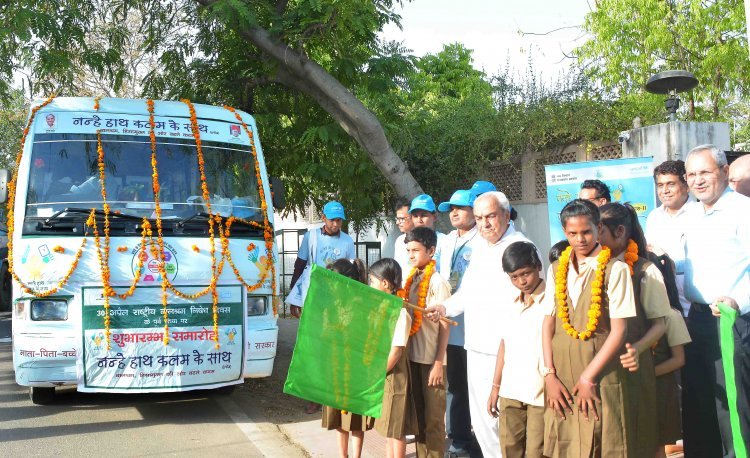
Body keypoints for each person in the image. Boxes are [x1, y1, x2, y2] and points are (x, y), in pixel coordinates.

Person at [426, 191, 535, 458]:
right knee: (483, 423)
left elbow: (532, 302)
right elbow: (467, 292)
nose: (484, 224)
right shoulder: (481, 248)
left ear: (506, 215)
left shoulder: (520, 247)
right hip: (475, 346)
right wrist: (444, 307)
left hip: (504, 353)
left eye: (490, 216)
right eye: (479, 218)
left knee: (503, 422)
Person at [541, 199, 636, 458]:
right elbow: (548, 322)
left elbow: (619, 331)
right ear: (564, 232)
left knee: (603, 441)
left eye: (586, 232)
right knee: (565, 444)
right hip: (561, 374)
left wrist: (588, 377)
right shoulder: (556, 268)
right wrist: (549, 374)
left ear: (598, 228)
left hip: (599, 373)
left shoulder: (615, 269)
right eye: (572, 233)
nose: (580, 239)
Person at [681, 144, 750, 457]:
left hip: (729, 322)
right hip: (696, 321)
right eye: (691, 174)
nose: (697, 180)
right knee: (699, 405)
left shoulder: (743, 211)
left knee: (732, 410)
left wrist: (738, 300)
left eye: (704, 172)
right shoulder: (691, 214)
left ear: (724, 172)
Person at [599, 202, 670, 457]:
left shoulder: (645, 270)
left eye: (599, 231)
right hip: (604, 365)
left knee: (642, 436)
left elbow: (661, 324)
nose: (593, 238)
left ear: (619, 232)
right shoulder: (595, 267)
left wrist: (636, 350)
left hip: (634, 366)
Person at [487, 241, 546, 458]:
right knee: (509, 448)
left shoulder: (554, 301)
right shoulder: (510, 303)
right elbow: (504, 345)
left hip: (541, 392)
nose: (521, 281)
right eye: (514, 277)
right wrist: (495, 387)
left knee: (537, 452)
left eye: (526, 273)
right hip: (510, 390)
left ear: (539, 266)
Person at [402, 226, 452, 458]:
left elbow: (444, 324)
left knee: (433, 421)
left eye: (416, 250)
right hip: (412, 358)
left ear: (431, 251)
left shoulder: (437, 282)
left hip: (431, 361)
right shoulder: (410, 279)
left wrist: (438, 362)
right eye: (408, 250)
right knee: (418, 419)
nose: (411, 255)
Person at [437, 189, 478, 457]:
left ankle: (479, 439)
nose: (454, 212)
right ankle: (458, 439)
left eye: (460, 208)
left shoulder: (481, 241)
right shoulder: (447, 240)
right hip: (448, 323)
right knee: (455, 385)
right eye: (451, 208)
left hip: (474, 325)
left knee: (476, 385)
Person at [320, 258, 374, 458]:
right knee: (338, 418)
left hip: (356, 369)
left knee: (356, 418)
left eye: (334, 282)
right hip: (335, 366)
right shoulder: (331, 305)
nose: (332, 286)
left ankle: (356, 455)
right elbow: (324, 334)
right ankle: (343, 455)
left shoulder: (363, 303)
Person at [370, 258, 413, 458]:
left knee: (396, 429)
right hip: (386, 372)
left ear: (385, 283)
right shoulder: (384, 308)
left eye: (372, 281)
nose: (370, 285)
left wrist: (378, 373)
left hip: (395, 374)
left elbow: (396, 351)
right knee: (388, 429)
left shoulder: (400, 312)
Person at [287, 200, 356, 318]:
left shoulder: (348, 241)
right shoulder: (311, 237)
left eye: (338, 220)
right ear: (323, 218)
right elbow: (299, 266)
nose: (335, 224)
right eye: (332, 220)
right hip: (314, 293)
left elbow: (352, 271)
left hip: (338, 296)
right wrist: (294, 299)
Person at [645, 160, 694, 315]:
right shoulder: (654, 217)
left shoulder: (700, 214)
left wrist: (672, 265)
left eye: (671, 184)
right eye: (660, 185)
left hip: (694, 308)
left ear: (686, 186)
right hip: (664, 305)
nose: (664, 190)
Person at [652, 297, 691, 457]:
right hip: (634, 388)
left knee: (657, 446)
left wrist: (647, 374)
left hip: (659, 389)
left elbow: (679, 359)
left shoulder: (671, 315)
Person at [408, 194, 445, 271]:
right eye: (415, 216)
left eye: (424, 215)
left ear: (434, 216)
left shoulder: (444, 241)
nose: (419, 220)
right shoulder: (405, 240)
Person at [393, 199, 415, 283]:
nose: (398, 222)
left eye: (402, 219)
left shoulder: (425, 240)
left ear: (413, 217)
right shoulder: (399, 241)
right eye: (397, 219)